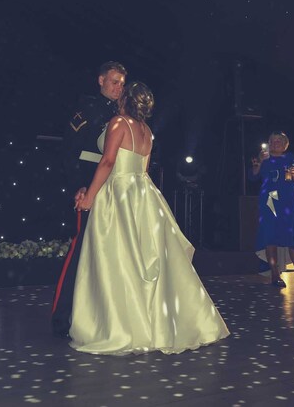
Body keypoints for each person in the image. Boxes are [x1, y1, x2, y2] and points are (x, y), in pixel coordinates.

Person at [71, 82, 230, 355]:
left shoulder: (118, 122)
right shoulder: (147, 131)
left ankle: (123, 326)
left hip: (118, 193)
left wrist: (90, 196)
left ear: (126, 100)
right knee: (145, 258)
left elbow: (108, 162)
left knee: (117, 258)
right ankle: (154, 324)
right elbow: (143, 170)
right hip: (144, 194)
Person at [51, 61, 127, 337]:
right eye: (113, 81)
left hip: (118, 189)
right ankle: (63, 316)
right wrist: (79, 187)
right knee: (80, 251)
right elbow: (69, 153)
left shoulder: (125, 113)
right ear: (100, 80)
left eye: (121, 83)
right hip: (90, 187)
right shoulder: (87, 110)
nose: (117, 87)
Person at [248, 132, 294, 289]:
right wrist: (258, 163)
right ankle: (275, 274)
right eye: (272, 141)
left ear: (285, 144)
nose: (275, 143)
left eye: (279, 141)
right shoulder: (263, 158)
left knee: (292, 237)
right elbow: (253, 177)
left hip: (287, 203)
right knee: (270, 236)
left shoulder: (291, 158)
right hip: (270, 201)